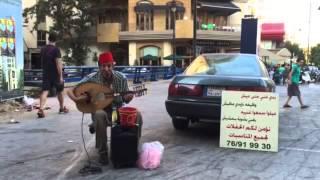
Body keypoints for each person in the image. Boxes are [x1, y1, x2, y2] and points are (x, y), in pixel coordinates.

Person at [67, 51, 143, 165]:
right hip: (101, 111)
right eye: (103, 66)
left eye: (109, 66)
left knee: (138, 114)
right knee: (99, 114)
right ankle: (103, 153)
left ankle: (132, 147)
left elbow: (125, 99)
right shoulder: (92, 78)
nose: (106, 69)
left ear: (113, 65)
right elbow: (69, 90)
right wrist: (76, 99)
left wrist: (129, 97)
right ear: (99, 66)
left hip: (117, 111)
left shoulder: (121, 78)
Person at [37, 32, 68, 118]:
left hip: (46, 73)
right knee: (60, 91)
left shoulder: (43, 49)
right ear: (56, 40)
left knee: (45, 91)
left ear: (48, 39)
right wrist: (61, 76)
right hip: (55, 74)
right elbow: (58, 64)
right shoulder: (56, 50)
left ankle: (41, 109)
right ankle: (61, 108)